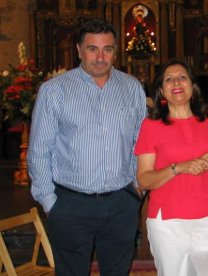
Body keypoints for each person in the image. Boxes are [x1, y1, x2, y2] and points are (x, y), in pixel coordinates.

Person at [28, 19, 147, 275]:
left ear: (116, 51)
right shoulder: (54, 91)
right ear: (79, 50)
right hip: (71, 203)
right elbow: (39, 151)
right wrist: (50, 203)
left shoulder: (132, 88)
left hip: (121, 202)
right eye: (93, 49)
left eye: (107, 49)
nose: (101, 57)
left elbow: (141, 142)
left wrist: (137, 189)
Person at [134, 58, 208, 276]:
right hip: (168, 223)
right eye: (169, 79)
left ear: (193, 86)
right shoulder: (151, 126)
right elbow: (144, 180)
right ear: (161, 90)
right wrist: (178, 168)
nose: (176, 82)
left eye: (182, 77)